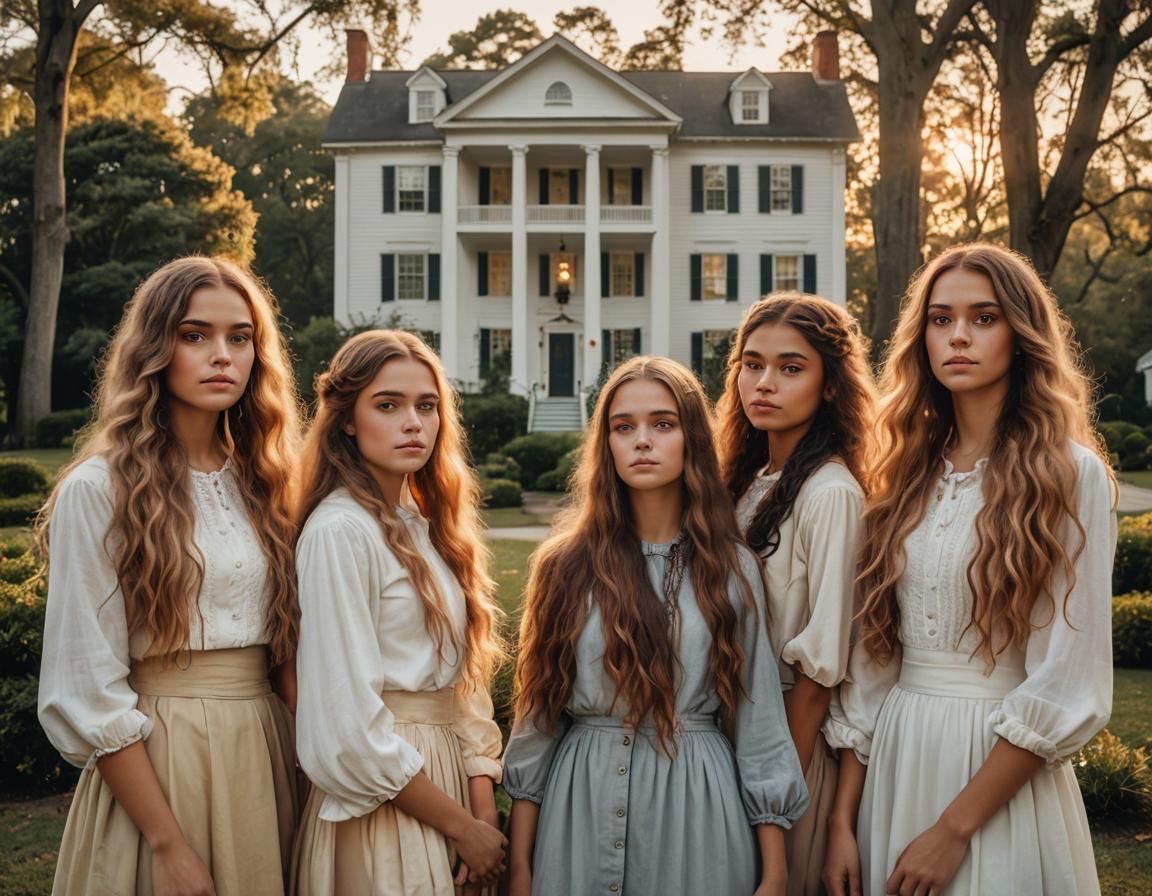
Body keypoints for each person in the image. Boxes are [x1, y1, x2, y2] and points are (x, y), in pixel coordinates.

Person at [822, 243, 1116, 896]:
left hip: (997, 776)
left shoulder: (1068, 475)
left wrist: (954, 830)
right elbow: (872, 666)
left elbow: (1068, 679)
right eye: (940, 318)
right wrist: (841, 820)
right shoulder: (899, 475)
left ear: (1022, 333)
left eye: (984, 318)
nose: (958, 335)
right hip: (897, 761)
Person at [38, 256, 302, 896]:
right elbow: (87, 686)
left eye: (240, 338)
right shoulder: (100, 490)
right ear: (155, 348)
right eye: (195, 335)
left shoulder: (269, 484)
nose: (222, 356)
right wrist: (166, 842)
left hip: (267, 750)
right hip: (161, 758)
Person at [504, 355, 808, 896]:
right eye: (624, 427)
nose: (642, 440)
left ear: (691, 438)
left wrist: (775, 871)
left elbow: (759, 722)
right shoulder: (564, 567)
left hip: (699, 810)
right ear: (607, 444)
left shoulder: (732, 569)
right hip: (580, 806)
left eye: (662, 424)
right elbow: (536, 723)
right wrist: (522, 868)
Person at [290, 330, 506, 896]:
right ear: (347, 421)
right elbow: (344, 727)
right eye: (388, 405)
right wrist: (460, 825)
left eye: (426, 406)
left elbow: (463, 684)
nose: (414, 422)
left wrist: (482, 813)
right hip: (385, 795)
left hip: (448, 783)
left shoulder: (423, 528)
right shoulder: (340, 531)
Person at [716, 293, 876, 896]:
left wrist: (771, 791)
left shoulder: (831, 494)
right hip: (728, 733)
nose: (764, 383)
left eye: (790, 367)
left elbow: (819, 673)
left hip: (788, 749)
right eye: (752, 364)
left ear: (830, 384)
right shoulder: (746, 483)